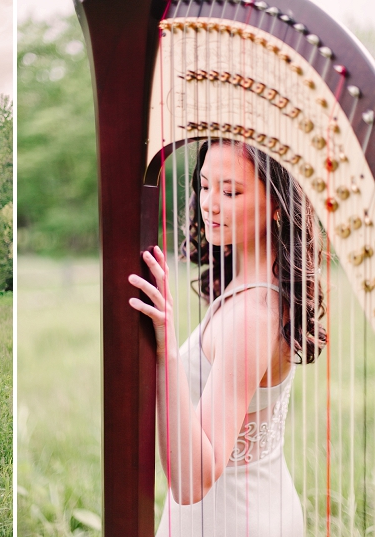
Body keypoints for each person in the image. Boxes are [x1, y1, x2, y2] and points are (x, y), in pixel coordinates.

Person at [128, 141, 326, 536]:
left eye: (231, 191)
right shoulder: (255, 286)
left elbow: (191, 482)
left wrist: (165, 347)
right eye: (204, 186)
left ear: (277, 205)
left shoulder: (251, 315)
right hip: (260, 505)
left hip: (229, 521)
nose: (210, 204)